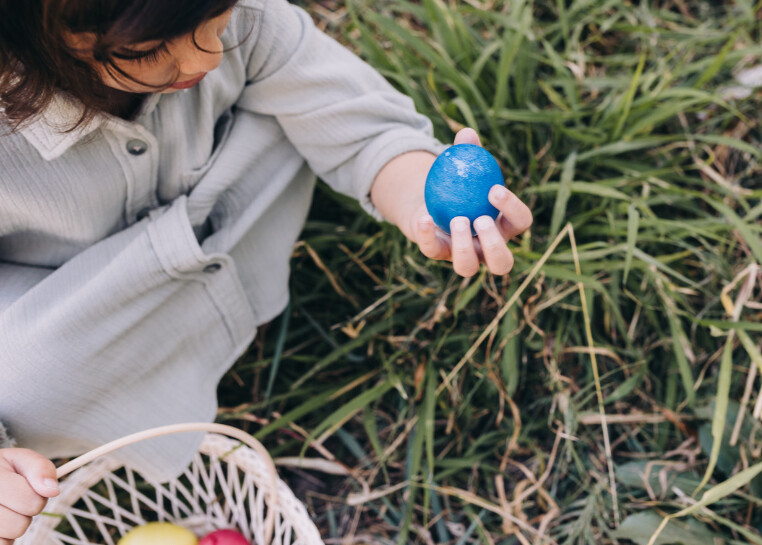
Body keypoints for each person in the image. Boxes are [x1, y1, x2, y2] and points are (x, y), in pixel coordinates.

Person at [0, 0, 533, 541]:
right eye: (149, 49)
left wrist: (422, 200)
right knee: (14, 390)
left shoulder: (238, 20)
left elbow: (361, 125)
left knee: (293, 105)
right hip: (63, 307)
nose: (204, 57)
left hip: (229, 222)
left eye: (217, 20)